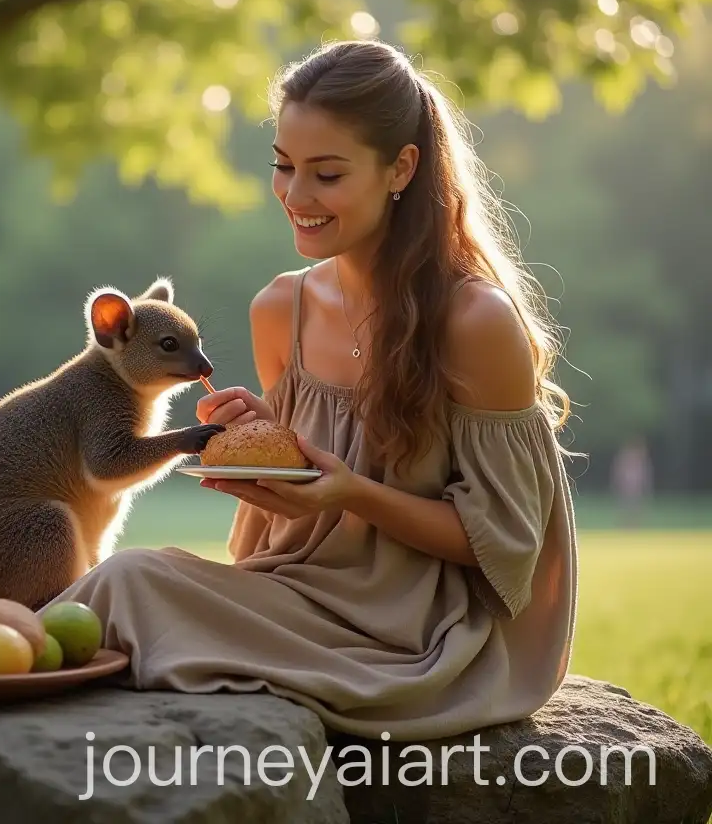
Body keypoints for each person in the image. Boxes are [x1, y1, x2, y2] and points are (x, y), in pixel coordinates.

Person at [45, 39, 578, 742]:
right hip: (297, 596)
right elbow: (292, 523)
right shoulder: (280, 310)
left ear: (401, 168)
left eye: (326, 174)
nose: (296, 197)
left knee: (124, 595)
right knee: (129, 579)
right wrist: (270, 444)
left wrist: (350, 492)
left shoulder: (476, 322)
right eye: (283, 166)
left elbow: (506, 546)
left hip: (423, 634)